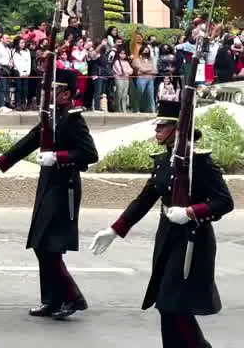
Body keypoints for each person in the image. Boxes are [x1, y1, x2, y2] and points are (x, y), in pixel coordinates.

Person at [90, 100, 235, 348]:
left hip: (193, 240)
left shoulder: (198, 162)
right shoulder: (164, 161)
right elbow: (145, 198)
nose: (156, 131)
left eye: (161, 127)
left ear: (177, 130)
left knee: (172, 304)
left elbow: (224, 201)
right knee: (169, 306)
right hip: (168, 237)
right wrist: (115, 229)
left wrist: (190, 212)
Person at [0, 68, 99, 320]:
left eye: (55, 89)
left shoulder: (74, 119)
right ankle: (52, 300)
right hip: (48, 185)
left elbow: (90, 154)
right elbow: (29, 141)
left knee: (50, 246)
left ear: (66, 93)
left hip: (64, 186)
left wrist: (58, 156)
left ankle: (73, 297)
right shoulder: (52, 116)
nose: (50, 94)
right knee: (41, 245)